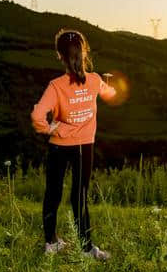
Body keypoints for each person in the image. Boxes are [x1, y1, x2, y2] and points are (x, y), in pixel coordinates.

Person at [30, 28, 117, 259]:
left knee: (53, 193)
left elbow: (38, 116)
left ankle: (51, 244)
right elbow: (111, 94)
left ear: (59, 55)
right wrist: (109, 88)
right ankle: (87, 248)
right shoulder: (95, 80)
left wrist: (49, 129)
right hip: (83, 147)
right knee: (79, 196)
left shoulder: (56, 86)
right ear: (83, 51)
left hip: (57, 146)